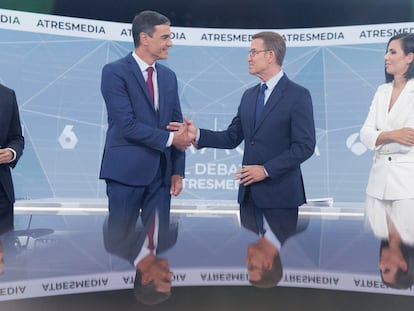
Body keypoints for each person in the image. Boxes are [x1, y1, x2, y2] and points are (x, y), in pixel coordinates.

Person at [169, 30, 315, 261]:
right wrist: (197, 134)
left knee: (275, 256)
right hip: (248, 198)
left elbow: (304, 146)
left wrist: (265, 170)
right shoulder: (249, 95)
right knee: (251, 252)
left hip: (281, 198)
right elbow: (231, 137)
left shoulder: (298, 95)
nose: (248, 57)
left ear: (270, 55)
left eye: (253, 52)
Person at [100, 10, 193, 247]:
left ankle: (151, 285)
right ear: (144, 38)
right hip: (125, 175)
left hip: (161, 176)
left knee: (157, 245)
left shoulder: (169, 77)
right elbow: (127, 125)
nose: (170, 43)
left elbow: (177, 127)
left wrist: (177, 170)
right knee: (119, 244)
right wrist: (172, 139)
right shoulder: (114, 72)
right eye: (165, 37)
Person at [0, 83, 24, 232]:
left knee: (6, 251)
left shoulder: (7, 95)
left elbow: (16, 138)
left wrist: (11, 152)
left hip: (1, 194)